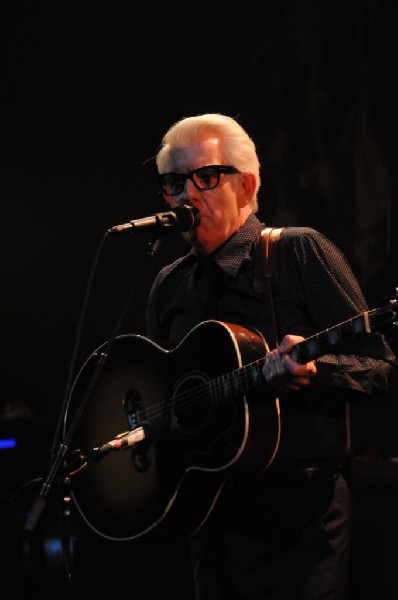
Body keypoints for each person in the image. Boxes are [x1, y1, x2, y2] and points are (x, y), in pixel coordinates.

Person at [145, 113, 398, 599]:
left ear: (247, 185)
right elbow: (165, 401)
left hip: (300, 523)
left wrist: (316, 371)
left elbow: (383, 368)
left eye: (206, 177)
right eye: (174, 182)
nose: (188, 195)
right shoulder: (169, 285)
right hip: (210, 523)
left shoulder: (298, 253)